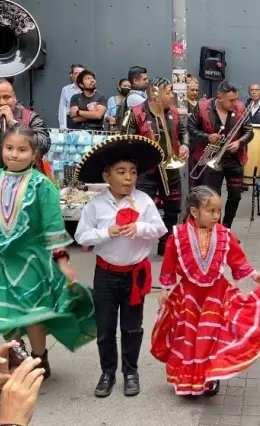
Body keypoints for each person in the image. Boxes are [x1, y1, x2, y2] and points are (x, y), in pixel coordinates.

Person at [150, 186, 260, 396]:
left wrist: (254, 275)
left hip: (216, 295)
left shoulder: (225, 235)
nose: (217, 215)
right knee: (188, 336)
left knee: (211, 336)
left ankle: (210, 376)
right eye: (211, 211)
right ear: (194, 212)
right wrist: (165, 288)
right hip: (188, 296)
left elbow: (237, 259)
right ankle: (187, 376)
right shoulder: (178, 236)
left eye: (219, 211)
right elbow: (169, 263)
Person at [74, 133, 168, 397]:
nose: (129, 178)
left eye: (133, 172)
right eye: (121, 172)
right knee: (105, 327)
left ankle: (130, 372)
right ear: (106, 177)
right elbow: (81, 236)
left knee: (132, 327)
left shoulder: (144, 201)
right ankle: (107, 373)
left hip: (134, 274)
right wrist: (107, 232)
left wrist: (139, 227)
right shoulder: (95, 205)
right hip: (105, 275)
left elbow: (160, 230)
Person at [0, 126, 96, 380]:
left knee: (33, 314)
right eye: (9, 148)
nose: (14, 154)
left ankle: (39, 358)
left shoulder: (42, 185)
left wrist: (62, 262)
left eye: (22, 150)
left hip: (32, 262)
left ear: (34, 155)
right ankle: (14, 355)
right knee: (6, 314)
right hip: (2, 261)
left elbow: (53, 227)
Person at [126, 77, 190, 256]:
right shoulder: (136, 113)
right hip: (147, 171)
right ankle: (138, 249)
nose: (172, 95)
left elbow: (184, 133)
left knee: (173, 209)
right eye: (168, 92)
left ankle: (165, 245)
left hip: (171, 169)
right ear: (156, 93)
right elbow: (128, 142)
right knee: (141, 210)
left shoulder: (174, 112)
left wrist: (185, 145)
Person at [187, 81, 253, 229]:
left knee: (235, 195)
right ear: (219, 97)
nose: (234, 103)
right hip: (211, 158)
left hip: (233, 159)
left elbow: (249, 132)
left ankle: (226, 228)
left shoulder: (241, 108)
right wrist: (206, 136)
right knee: (213, 198)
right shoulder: (203, 107)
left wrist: (239, 143)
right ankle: (215, 229)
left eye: (236, 99)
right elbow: (190, 127)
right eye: (231, 100)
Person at [0, 79, 51, 176]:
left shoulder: (30, 117)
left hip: (28, 180)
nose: (2, 102)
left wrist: (14, 124)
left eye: (7, 97)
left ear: (14, 97)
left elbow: (43, 145)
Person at [58, 64, 84, 129]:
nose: (79, 76)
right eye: (76, 73)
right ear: (71, 75)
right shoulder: (66, 89)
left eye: (81, 73)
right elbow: (62, 108)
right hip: (70, 121)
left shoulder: (91, 89)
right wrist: (62, 125)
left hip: (86, 121)